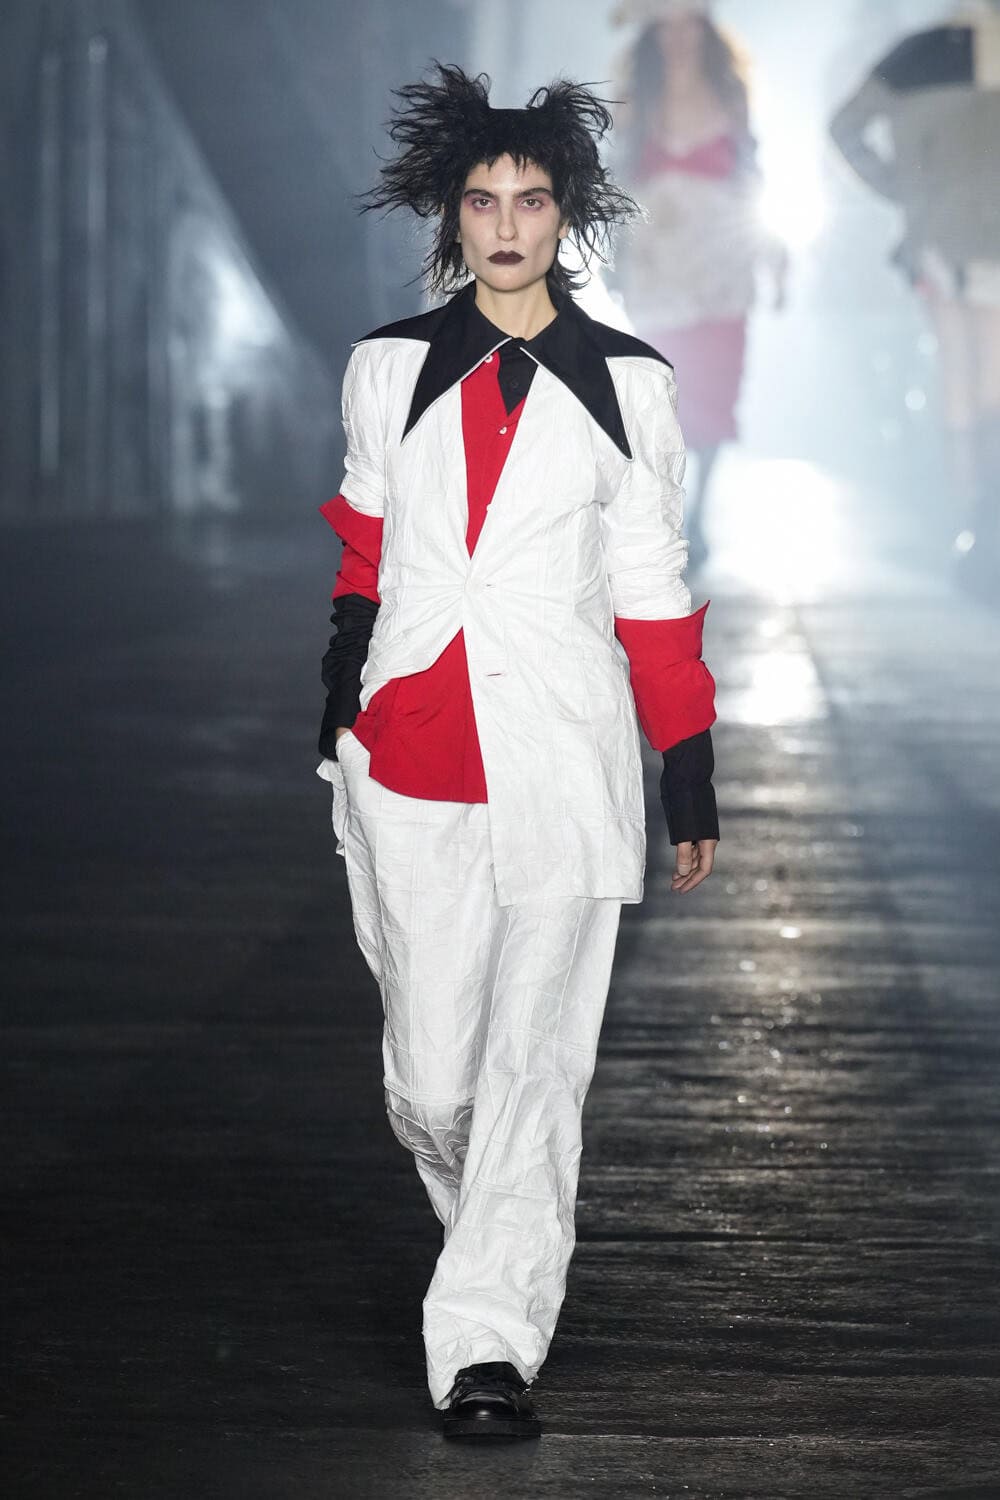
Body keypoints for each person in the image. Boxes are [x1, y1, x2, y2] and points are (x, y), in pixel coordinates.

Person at [316, 62, 719, 1442]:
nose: (505, 225)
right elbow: (364, 554)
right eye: (482, 201)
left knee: (533, 1069)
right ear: (452, 214)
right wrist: (339, 710)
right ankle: (490, 1234)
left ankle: (486, 1342)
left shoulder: (630, 389)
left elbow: (652, 587)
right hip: (410, 751)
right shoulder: (386, 370)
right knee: (436, 1083)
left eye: (531, 201)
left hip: (563, 751)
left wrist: (686, 766)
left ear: (566, 215)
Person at [830, 0, 1000, 590]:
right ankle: (983, 523)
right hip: (963, 241)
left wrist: (905, 189)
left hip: (940, 237)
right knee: (984, 376)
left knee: (962, 373)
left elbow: (844, 128)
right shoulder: (918, 52)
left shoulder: (914, 55)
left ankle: (974, 520)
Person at [611, 0, 787, 564]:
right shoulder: (637, 101)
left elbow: (752, 176)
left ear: (707, 33)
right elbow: (615, 179)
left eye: (689, 27)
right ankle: (664, 506)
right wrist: (612, 254)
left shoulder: (731, 95)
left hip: (722, 268)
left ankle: (699, 511)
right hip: (658, 267)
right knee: (661, 385)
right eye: (668, 28)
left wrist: (774, 252)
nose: (680, 40)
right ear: (653, 37)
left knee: (715, 387)